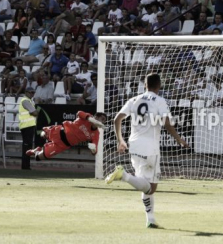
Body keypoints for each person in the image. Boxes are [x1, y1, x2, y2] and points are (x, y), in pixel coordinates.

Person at [105, 73, 189, 229]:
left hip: (134, 145)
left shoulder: (134, 99)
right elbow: (166, 122)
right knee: (151, 187)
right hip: (150, 146)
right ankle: (123, 175)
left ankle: (150, 219)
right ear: (159, 86)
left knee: (144, 183)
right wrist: (178, 139)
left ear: (145, 84)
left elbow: (117, 119)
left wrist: (120, 140)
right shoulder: (160, 100)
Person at [26, 111, 107, 161]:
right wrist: (92, 120)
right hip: (60, 132)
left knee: (39, 157)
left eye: (104, 121)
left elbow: (95, 151)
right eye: (102, 118)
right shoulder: (87, 117)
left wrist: (93, 149)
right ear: (96, 116)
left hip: (63, 145)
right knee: (43, 134)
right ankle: (47, 132)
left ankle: (36, 151)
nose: (102, 121)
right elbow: (79, 113)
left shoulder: (96, 134)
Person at [19, 87, 39, 170]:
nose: (32, 94)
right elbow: (34, 112)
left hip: (27, 125)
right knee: (27, 147)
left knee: (28, 146)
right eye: (31, 92)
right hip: (27, 126)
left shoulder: (28, 101)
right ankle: (25, 166)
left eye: (33, 92)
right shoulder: (25, 101)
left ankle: (26, 165)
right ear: (26, 92)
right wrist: (36, 111)